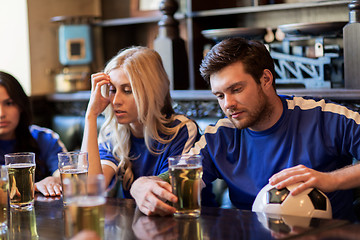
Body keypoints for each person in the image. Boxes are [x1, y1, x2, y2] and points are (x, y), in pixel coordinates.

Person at [130, 37, 360, 221]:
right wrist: (141, 186)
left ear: (266, 79)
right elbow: (171, 181)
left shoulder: (325, 117)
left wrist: (331, 180)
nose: (227, 104)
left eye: (236, 89)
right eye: (219, 95)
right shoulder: (218, 138)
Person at [81, 46, 201, 199]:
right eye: (112, 90)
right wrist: (91, 116)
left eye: (127, 90)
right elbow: (91, 189)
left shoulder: (181, 129)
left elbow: (167, 195)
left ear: (152, 92)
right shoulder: (113, 133)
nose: (116, 101)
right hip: (137, 220)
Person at [0, 71, 67, 196]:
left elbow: (65, 175)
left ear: (21, 106)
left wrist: (55, 180)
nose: (1, 113)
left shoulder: (45, 138)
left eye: (9, 103)